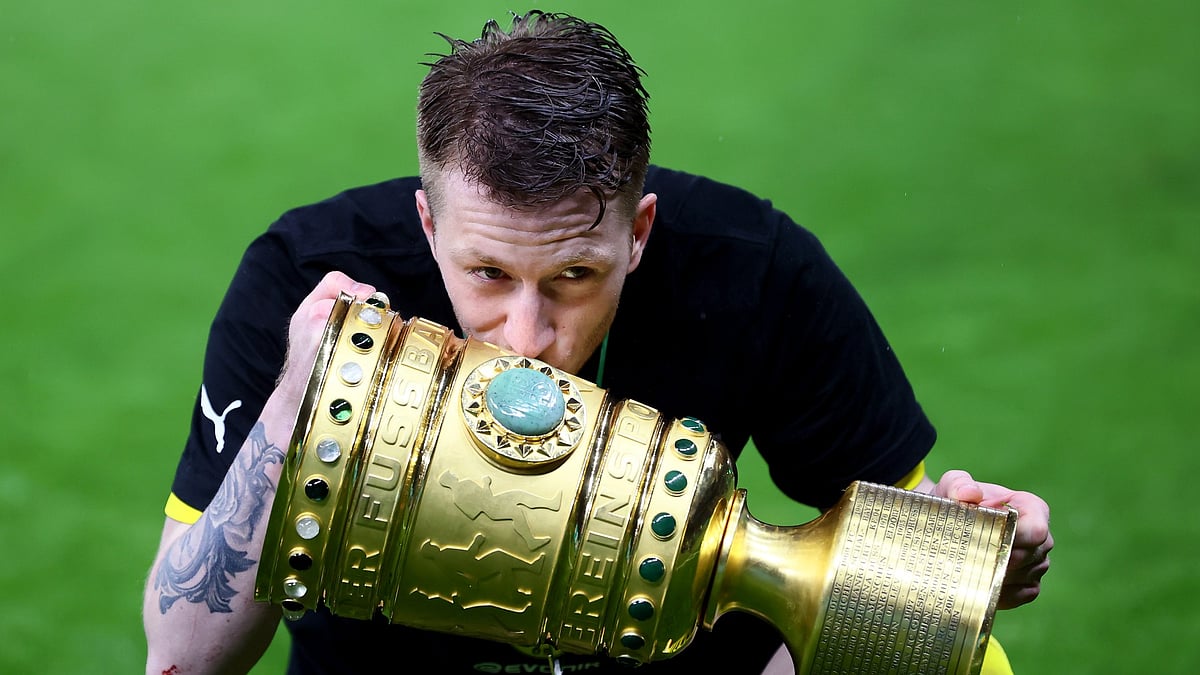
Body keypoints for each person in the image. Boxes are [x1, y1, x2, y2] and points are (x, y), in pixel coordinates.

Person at [143, 10, 1052, 675]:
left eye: (575, 277)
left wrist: (970, 562)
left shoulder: (754, 270)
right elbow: (181, 654)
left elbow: (914, 567)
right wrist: (292, 409)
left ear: (640, 231)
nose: (529, 339)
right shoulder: (310, 279)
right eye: (489, 274)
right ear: (428, 224)